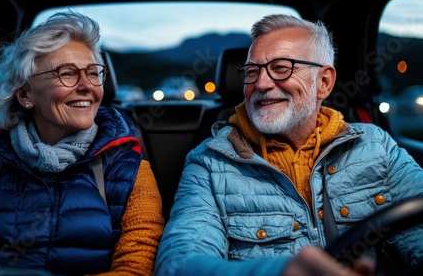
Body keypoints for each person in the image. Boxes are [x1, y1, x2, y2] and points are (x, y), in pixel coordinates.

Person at [155, 14, 423, 276]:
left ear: (324, 82)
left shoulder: (378, 146)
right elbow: (179, 263)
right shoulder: (209, 163)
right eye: (251, 71)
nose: (260, 83)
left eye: (281, 68)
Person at [0, 11, 164, 275]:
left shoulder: (130, 172)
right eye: (67, 73)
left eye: (94, 73)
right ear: (25, 94)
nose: (86, 85)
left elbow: (136, 266)